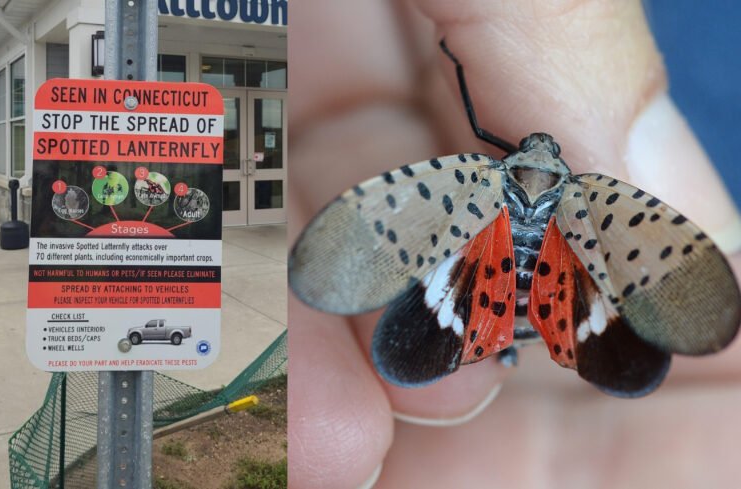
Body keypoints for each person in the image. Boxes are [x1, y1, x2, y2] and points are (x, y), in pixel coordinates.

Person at [288, 1, 741, 487]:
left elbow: (479, 125)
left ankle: (487, 330)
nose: (539, 154)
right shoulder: (586, 192)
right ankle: (518, 331)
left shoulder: (481, 174)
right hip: (549, 263)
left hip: (485, 265)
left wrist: (456, 62)